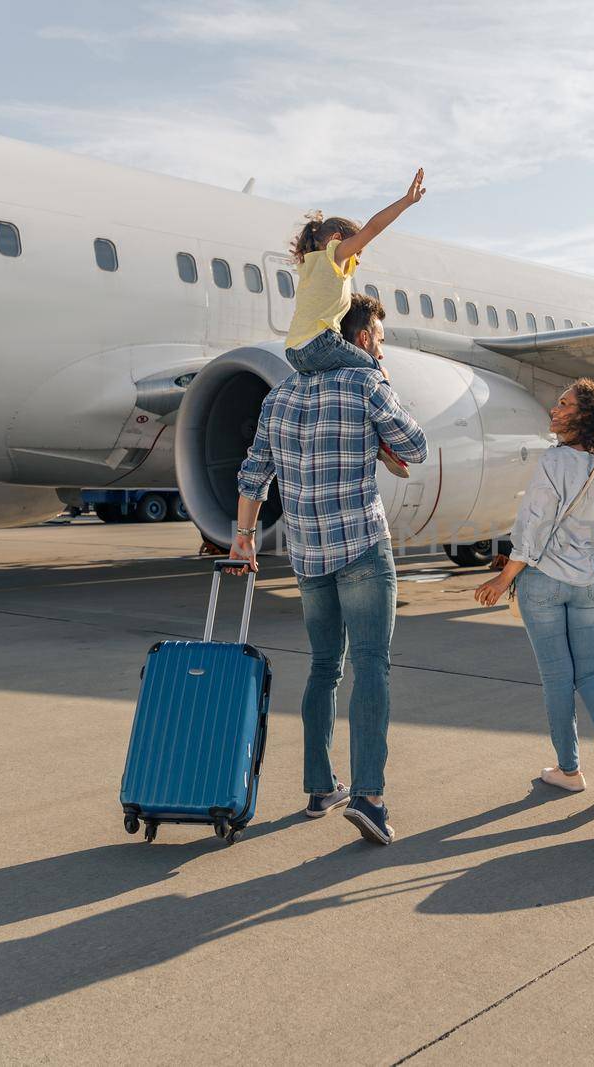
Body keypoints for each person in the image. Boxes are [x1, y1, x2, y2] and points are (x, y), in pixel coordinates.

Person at [231, 294, 427, 845]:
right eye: (379, 340)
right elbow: (418, 443)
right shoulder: (366, 383)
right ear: (362, 339)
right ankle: (369, 795)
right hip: (362, 547)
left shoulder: (283, 393)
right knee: (371, 667)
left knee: (323, 668)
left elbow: (253, 475)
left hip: (308, 554)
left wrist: (245, 539)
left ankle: (320, 787)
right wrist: (381, 378)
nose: (380, 347)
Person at [474, 379, 594, 803]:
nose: (554, 410)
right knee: (592, 673)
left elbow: (534, 525)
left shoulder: (553, 461)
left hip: (541, 583)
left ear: (582, 416)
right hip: (586, 584)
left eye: (564, 405)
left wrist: (504, 578)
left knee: (558, 679)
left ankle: (568, 769)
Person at [283, 169, 426, 476]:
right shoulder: (334, 256)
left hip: (295, 351)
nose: (357, 259)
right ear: (337, 241)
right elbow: (373, 227)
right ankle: (386, 440)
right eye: (357, 251)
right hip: (319, 342)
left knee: (341, 385)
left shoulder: (309, 266)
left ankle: (359, 433)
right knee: (375, 371)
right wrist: (405, 202)